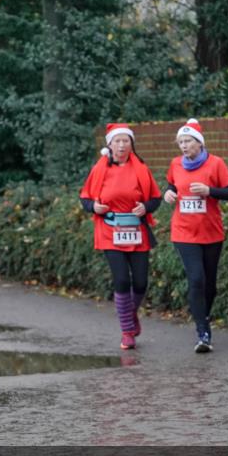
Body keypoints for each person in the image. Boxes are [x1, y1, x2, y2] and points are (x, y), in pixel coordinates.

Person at [79, 123, 162, 350]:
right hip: (110, 230)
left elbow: (155, 198)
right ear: (110, 145)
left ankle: (130, 314)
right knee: (122, 280)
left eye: (126, 141)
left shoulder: (141, 169)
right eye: (118, 141)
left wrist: (146, 207)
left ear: (131, 144)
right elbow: (85, 198)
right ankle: (127, 331)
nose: (122, 145)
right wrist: (94, 207)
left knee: (141, 282)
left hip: (136, 231)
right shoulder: (99, 169)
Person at [163, 119, 228, 353]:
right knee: (196, 279)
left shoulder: (216, 164)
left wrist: (209, 191)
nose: (184, 146)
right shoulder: (176, 164)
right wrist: (168, 194)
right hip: (184, 232)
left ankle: (202, 315)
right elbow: (171, 186)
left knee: (210, 285)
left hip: (211, 232)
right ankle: (203, 332)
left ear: (200, 143)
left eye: (188, 141)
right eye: (181, 142)